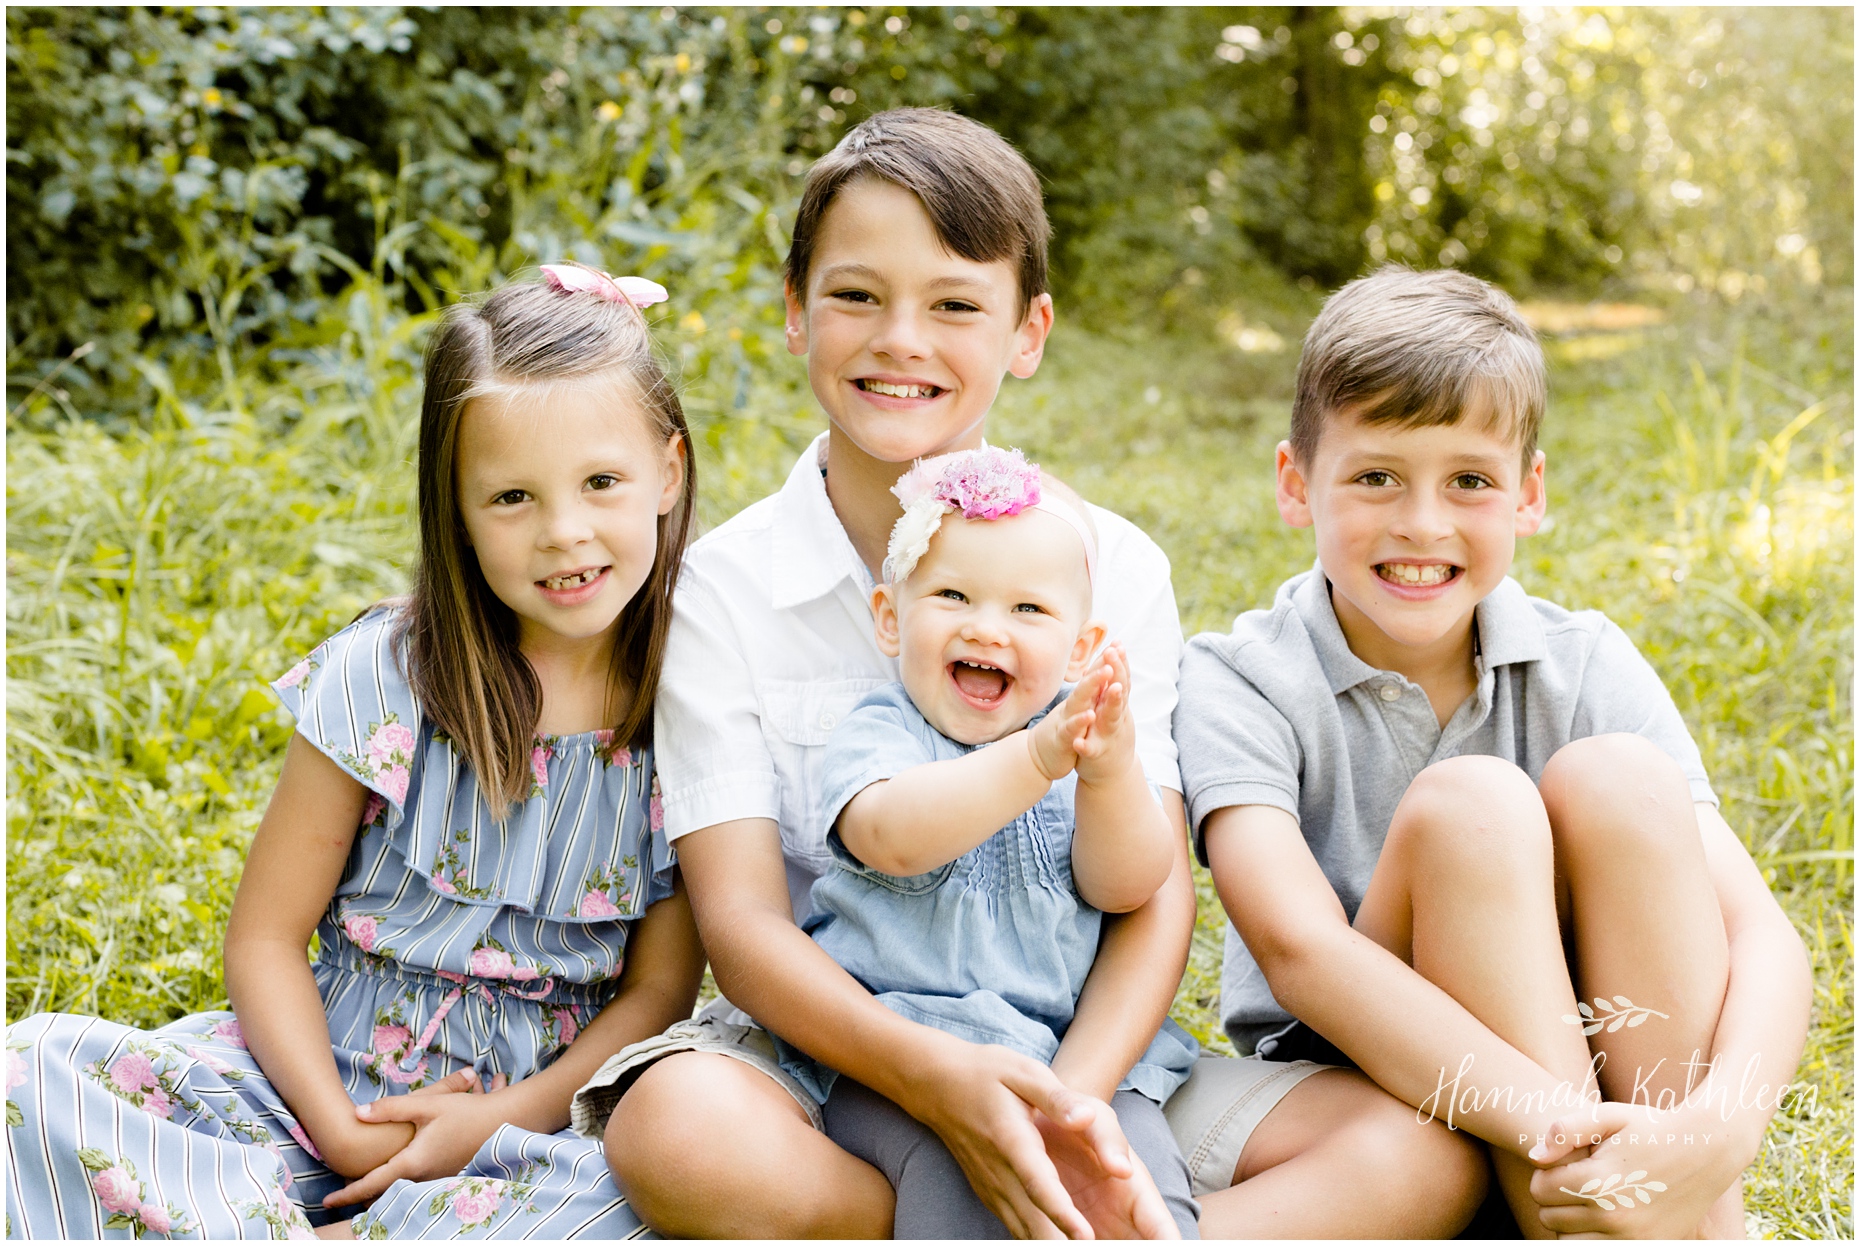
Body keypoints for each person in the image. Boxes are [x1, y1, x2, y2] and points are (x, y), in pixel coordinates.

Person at [567, 108, 1204, 1239]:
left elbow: (1152, 891)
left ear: (1028, 329)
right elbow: (746, 928)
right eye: (858, 296)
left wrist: (1071, 1099)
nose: (902, 339)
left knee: (1402, 1144)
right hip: (844, 1050)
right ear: (795, 310)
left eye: (956, 304)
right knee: (674, 1128)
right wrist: (938, 1084)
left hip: (1069, 1036)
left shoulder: (1115, 566)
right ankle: (949, 1198)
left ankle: (1040, 1186)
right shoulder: (726, 587)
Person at [3, 265, 707, 1239]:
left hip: (532, 1126)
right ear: (454, 506)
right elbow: (262, 936)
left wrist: (492, 1123)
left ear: (666, 471)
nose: (565, 532)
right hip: (310, 1077)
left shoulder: (696, 706)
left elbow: (657, 996)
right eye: (510, 497)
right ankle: (293, 1212)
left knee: (620, 1205)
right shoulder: (388, 675)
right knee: (28, 1073)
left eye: (601, 482)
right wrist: (336, 1127)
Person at [1175, 266, 1813, 1238]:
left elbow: (1761, 934)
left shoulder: (1583, 658)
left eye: (1469, 479)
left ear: (1529, 494)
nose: (1422, 522)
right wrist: (1572, 1133)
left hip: (1592, 1068)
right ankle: (1608, 1212)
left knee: (1624, 780)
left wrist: (1718, 1131)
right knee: (1473, 806)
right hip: (1376, 1087)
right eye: (1376, 474)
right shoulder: (1240, 677)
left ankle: (1690, 1219)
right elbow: (1300, 952)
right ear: (1296, 483)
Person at [771, 446, 1196, 1237]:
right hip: (906, 1060)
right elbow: (891, 836)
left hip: (1065, 1054)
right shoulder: (882, 733)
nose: (986, 627)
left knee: (1131, 1182)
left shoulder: (1081, 745)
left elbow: (1127, 885)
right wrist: (1034, 760)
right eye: (953, 595)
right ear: (891, 619)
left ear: (1079, 648)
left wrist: (1107, 777)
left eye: (1028, 610)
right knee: (966, 1183)